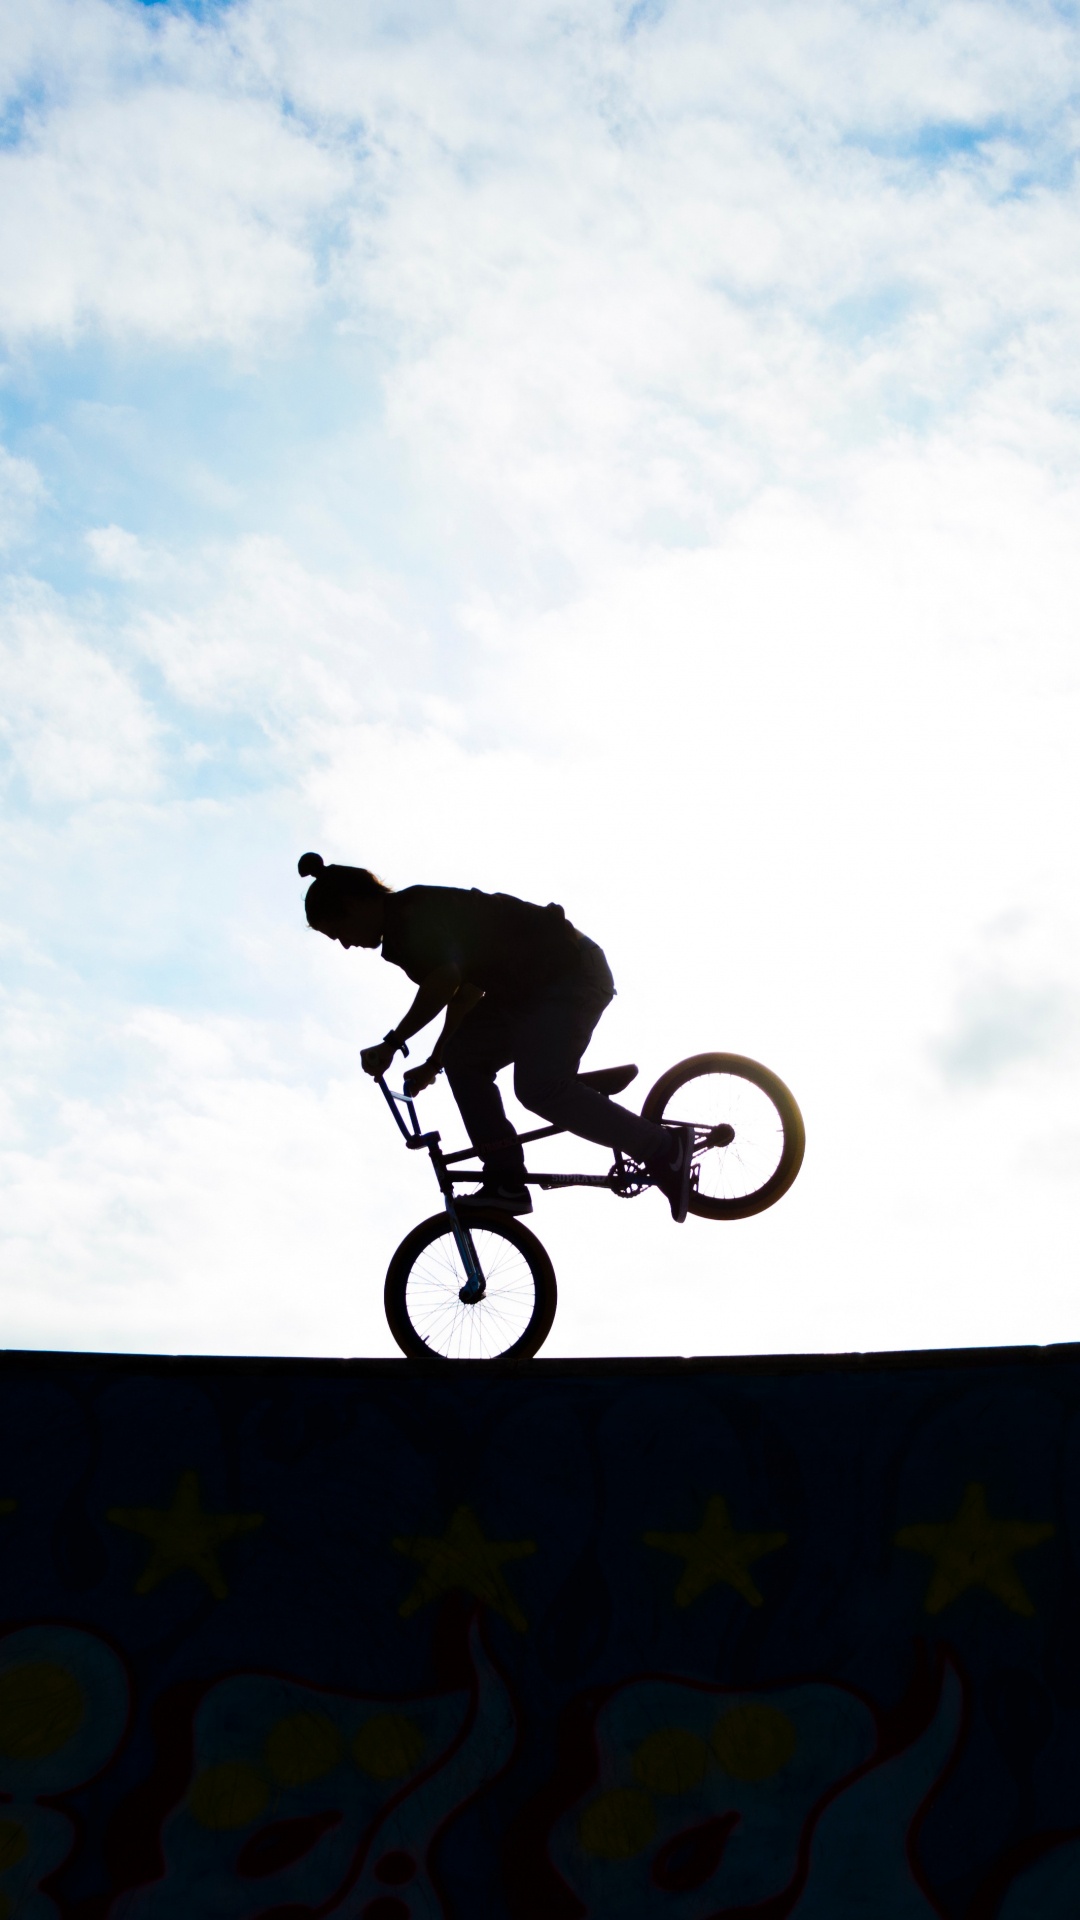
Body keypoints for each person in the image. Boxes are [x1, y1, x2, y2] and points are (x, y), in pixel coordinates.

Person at [298, 853, 694, 1221]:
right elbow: (466, 991)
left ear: (352, 905)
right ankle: (506, 1180)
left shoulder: (409, 918)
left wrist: (392, 1043)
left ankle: (663, 1149)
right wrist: (437, 1061)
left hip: (569, 975)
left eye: (338, 933)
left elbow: (444, 982)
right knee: (463, 1058)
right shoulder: (407, 919)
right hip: (530, 991)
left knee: (538, 1088)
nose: (345, 944)